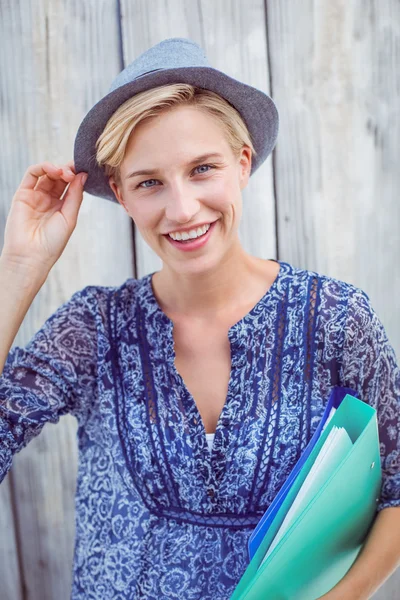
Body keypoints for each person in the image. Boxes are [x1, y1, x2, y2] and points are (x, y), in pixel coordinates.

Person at [0, 38, 399, 600]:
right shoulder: (95, 328)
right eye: (149, 182)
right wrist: (19, 269)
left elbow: (397, 485)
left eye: (202, 168)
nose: (182, 209)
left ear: (241, 163)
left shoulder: (336, 319)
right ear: (120, 194)